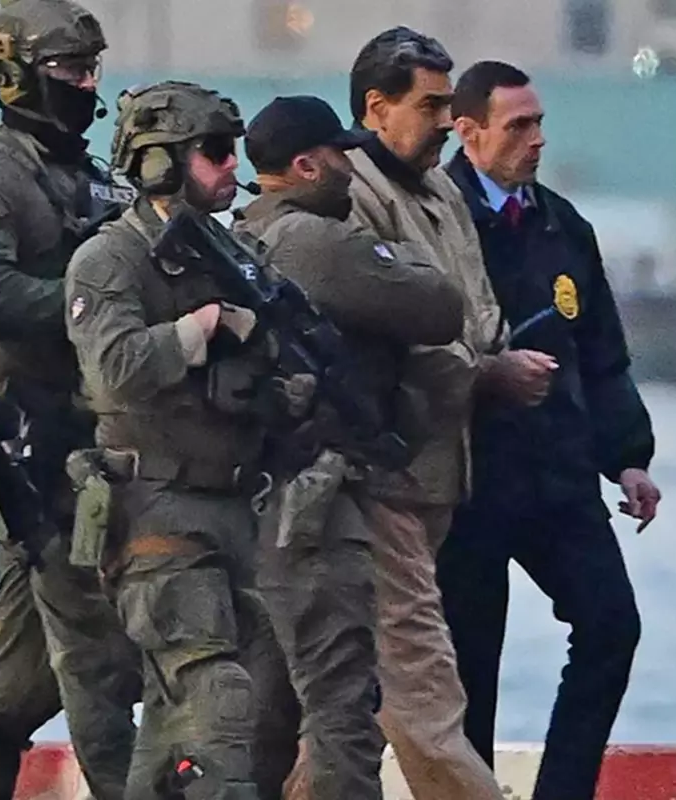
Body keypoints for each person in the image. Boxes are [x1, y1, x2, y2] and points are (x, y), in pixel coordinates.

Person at [0, 1, 142, 798]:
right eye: (67, 70)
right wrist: (96, 303)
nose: (84, 85)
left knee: (20, 679)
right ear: (17, 75)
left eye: (91, 70)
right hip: (32, 445)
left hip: (93, 434)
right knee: (96, 654)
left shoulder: (93, 174)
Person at [64, 79, 299, 800]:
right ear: (160, 162)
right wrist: (201, 327)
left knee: (195, 723)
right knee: (218, 699)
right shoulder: (110, 259)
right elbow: (115, 368)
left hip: (234, 508)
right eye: (215, 151)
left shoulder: (230, 252)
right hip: (155, 510)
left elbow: (282, 358)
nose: (234, 165)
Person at [232, 94, 466, 800]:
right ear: (306, 166)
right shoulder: (313, 241)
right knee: (343, 702)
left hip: (264, 504)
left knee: (270, 707)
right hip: (328, 499)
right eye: (340, 157)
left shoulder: (244, 236)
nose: (350, 172)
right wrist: (395, 255)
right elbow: (440, 304)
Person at [438, 60, 659, 800]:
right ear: (468, 132)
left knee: (610, 625)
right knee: (472, 666)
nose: (536, 139)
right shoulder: (438, 221)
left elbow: (602, 354)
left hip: (558, 474)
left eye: (539, 124)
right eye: (518, 126)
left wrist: (628, 458)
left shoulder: (562, 225)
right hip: (471, 480)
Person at [344, 26, 552, 800]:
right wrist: (485, 373)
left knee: (349, 701)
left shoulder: (439, 192)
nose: (443, 121)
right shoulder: (352, 197)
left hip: (443, 478)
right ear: (377, 107)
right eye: (429, 106)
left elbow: (480, 313)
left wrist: (487, 359)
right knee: (426, 695)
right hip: (381, 480)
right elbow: (393, 334)